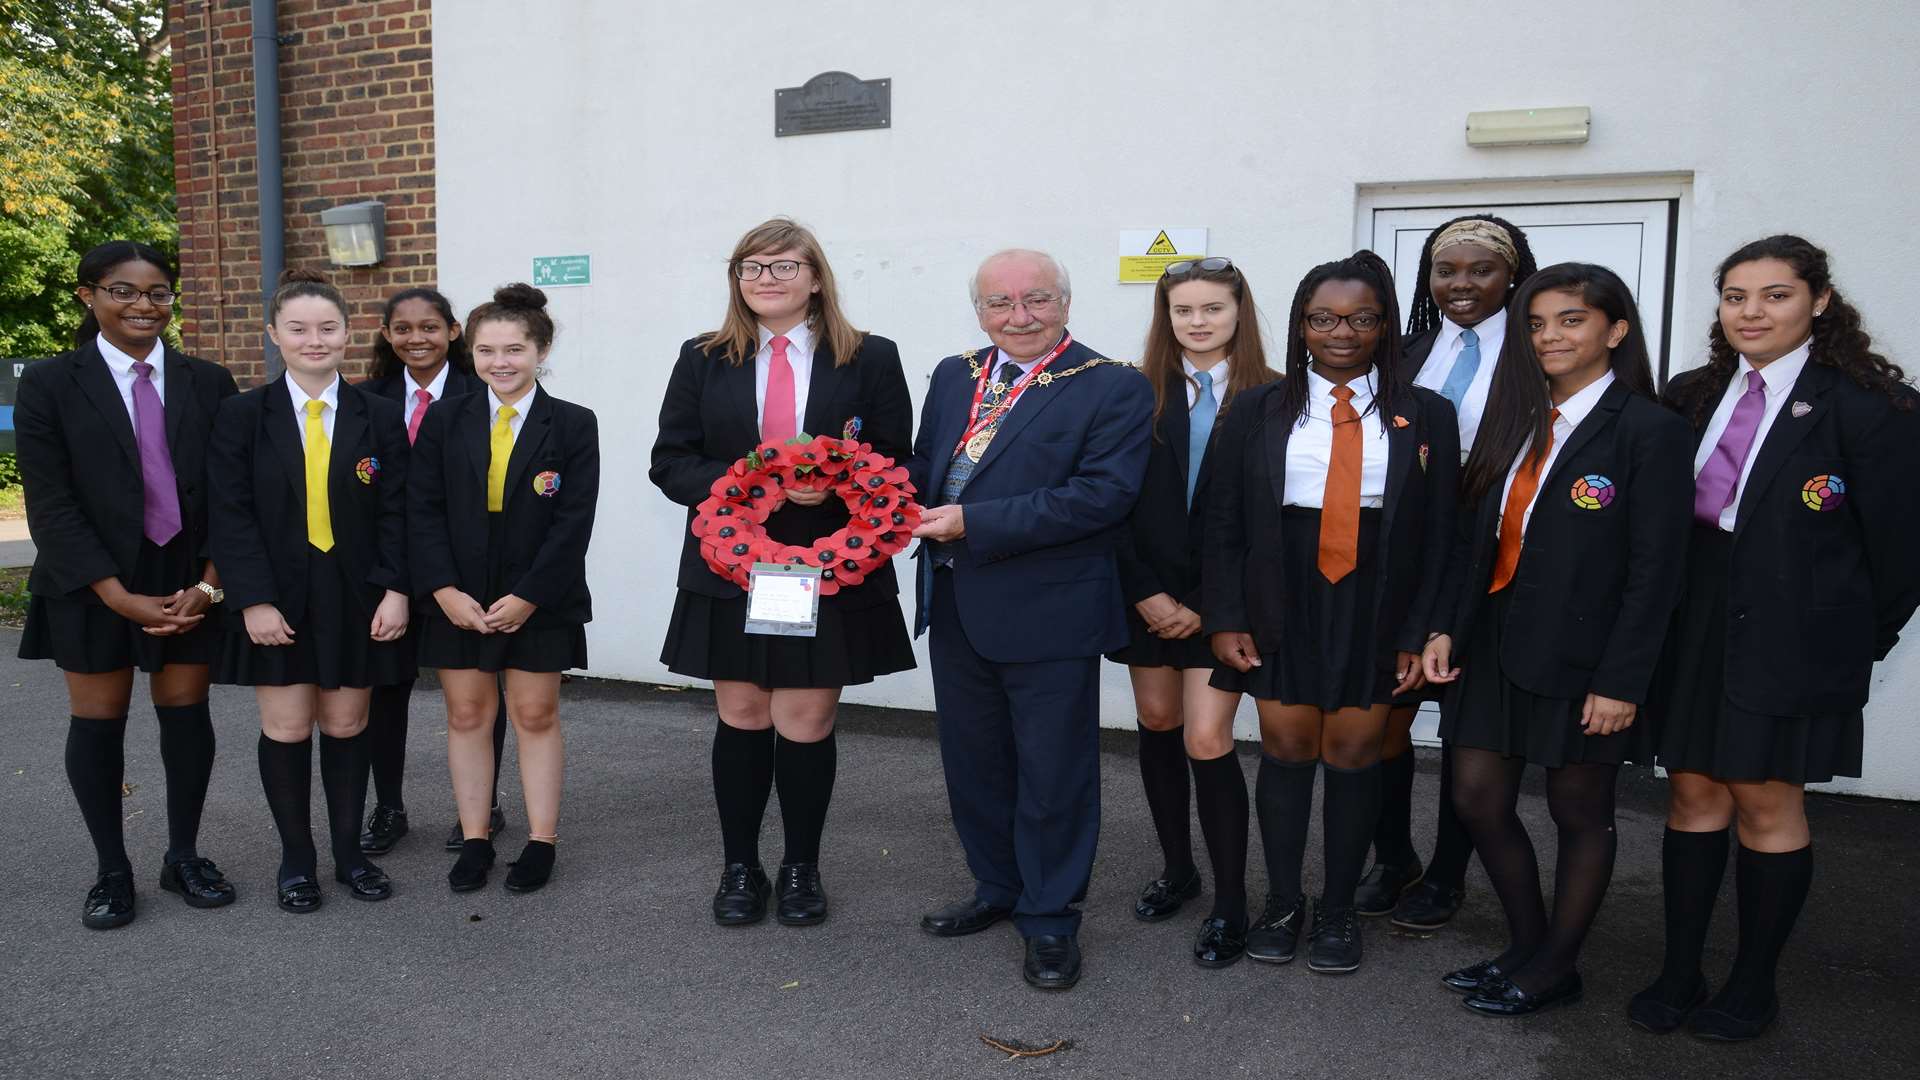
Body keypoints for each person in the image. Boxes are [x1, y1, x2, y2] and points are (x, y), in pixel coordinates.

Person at [1630, 235, 1920, 1041]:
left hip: (1796, 631)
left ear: (1819, 302)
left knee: (1766, 799)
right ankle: (1679, 968)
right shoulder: (1690, 394)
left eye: (1775, 295)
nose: (1752, 313)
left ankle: (1753, 983)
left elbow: (1901, 551)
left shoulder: (1872, 407)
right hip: (1694, 621)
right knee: (1692, 792)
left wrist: (1853, 640)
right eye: (1736, 297)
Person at [1421, 263, 1693, 1017]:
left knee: (1581, 812)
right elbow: (1474, 543)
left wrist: (1623, 681)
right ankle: (1531, 946)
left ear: (1615, 330)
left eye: (1571, 321)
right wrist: (1446, 624)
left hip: (1588, 661)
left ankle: (1556, 965)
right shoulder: (1517, 419)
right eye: (1537, 323)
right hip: (1495, 643)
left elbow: (1656, 573)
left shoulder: (1652, 431)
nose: (1550, 337)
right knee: (1476, 798)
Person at [651, 217, 913, 926]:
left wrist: (835, 486)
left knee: (806, 717)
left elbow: (898, 462)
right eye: (751, 267)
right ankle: (741, 867)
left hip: (826, 568)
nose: (766, 279)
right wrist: (755, 481)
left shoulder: (870, 357)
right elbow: (670, 462)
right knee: (741, 714)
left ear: (817, 276)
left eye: (783, 266)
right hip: (730, 567)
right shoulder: (703, 357)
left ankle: (801, 868)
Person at [1204, 250, 1458, 975]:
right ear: (1300, 325)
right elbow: (1222, 522)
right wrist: (1226, 616)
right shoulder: (1258, 408)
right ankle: (1284, 903)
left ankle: (1340, 908)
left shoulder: (1426, 413)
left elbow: (1442, 535)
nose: (1340, 332)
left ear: (1385, 326)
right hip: (1281, 594)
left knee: (1353, 753)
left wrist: (1422, 629)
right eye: (1323, 318)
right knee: (1285, 749)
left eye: (1361, 318)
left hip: (1381, 598)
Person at [909, 248, 1152, 990]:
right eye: (999, 304)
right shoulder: (956, 373)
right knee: (974, 764)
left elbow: (1101, 497)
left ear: (1067, 304)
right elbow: (925, 468)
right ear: (977, 311)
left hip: (1051, 612)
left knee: (1054, 775)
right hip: (956, 604)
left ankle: (1051, 919)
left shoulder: (1113, 386)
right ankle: (998, 888)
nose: (1018, 318)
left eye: (1036, 301)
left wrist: (971, 523)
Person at [15, 240, 239, 928]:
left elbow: (235, 497)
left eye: (158, 292)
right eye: (124, 290)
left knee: (185, 715)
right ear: (89, 296)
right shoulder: (52, 383)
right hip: (92, 581)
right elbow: (50, 503)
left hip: (185, 576)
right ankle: (112, 871)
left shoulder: (210, 382)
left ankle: (183, 856)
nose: (144, 304)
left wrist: (209, 586)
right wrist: (113, 593)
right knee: (98, 722)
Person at [208, 269, 411, 913]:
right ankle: (298, 860)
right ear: (274, 335)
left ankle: (350, 855)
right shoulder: (242, 416)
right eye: (298, 328)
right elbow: (229, 513)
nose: (313, 339)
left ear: (349, 334)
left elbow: (399, 512)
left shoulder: (379, 416)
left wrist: (396, 590)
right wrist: (253, 600)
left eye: (327, 327)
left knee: (348, 724)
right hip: (279, 597)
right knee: (290, 727)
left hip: (358, 595)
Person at [1364, 214, 1539, 931]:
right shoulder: (1406, 352)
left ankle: (1446, 875)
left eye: (1480, 270)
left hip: (1499, 561)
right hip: (1408, 561)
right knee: (1383, 723)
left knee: (1472, 736)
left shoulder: (1540, 352)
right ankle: (1394, 855)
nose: (1460, 284)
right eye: (1446, 270)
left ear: (1513, 274)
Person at [1111, 257, 1276, 967]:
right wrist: (1146, 591)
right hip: (1144, 594)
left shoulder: (1272, 396)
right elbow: (1107, 498)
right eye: (1184, 310)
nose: (1199, 321)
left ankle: (1232, 904)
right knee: (1156, 723)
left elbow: (1267, 521)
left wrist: (1208, 608)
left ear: (1239, 312)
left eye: (1213, 308)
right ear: (1166, 317)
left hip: (1224, 604)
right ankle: (1179, 870)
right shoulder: (1131, 391)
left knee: (1208, 741)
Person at [412, 283, 599, 894]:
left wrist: (530, 596)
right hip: (459, 592)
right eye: (487, 349)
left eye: (514, 349)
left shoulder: (572, 423)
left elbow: (574, 521)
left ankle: (542, 841)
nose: (500, 362)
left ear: (541, 350)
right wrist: (441, 590)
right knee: (467, 714)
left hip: (537, 593)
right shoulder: (445, 417)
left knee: (534, 713)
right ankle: (475, 838)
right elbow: (424, 510)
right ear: (471, 353)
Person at [355, 287, 510, 856]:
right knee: (385, 690)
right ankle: (388, 806)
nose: (415, 338)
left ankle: (485, 806)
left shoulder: (484, 391)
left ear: (452, 332)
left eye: (428, 327)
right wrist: (392, 580)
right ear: (387, 335)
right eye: (402, 328)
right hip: (388, 570)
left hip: (465, 572)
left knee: (475, 698)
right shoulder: (365, 400)